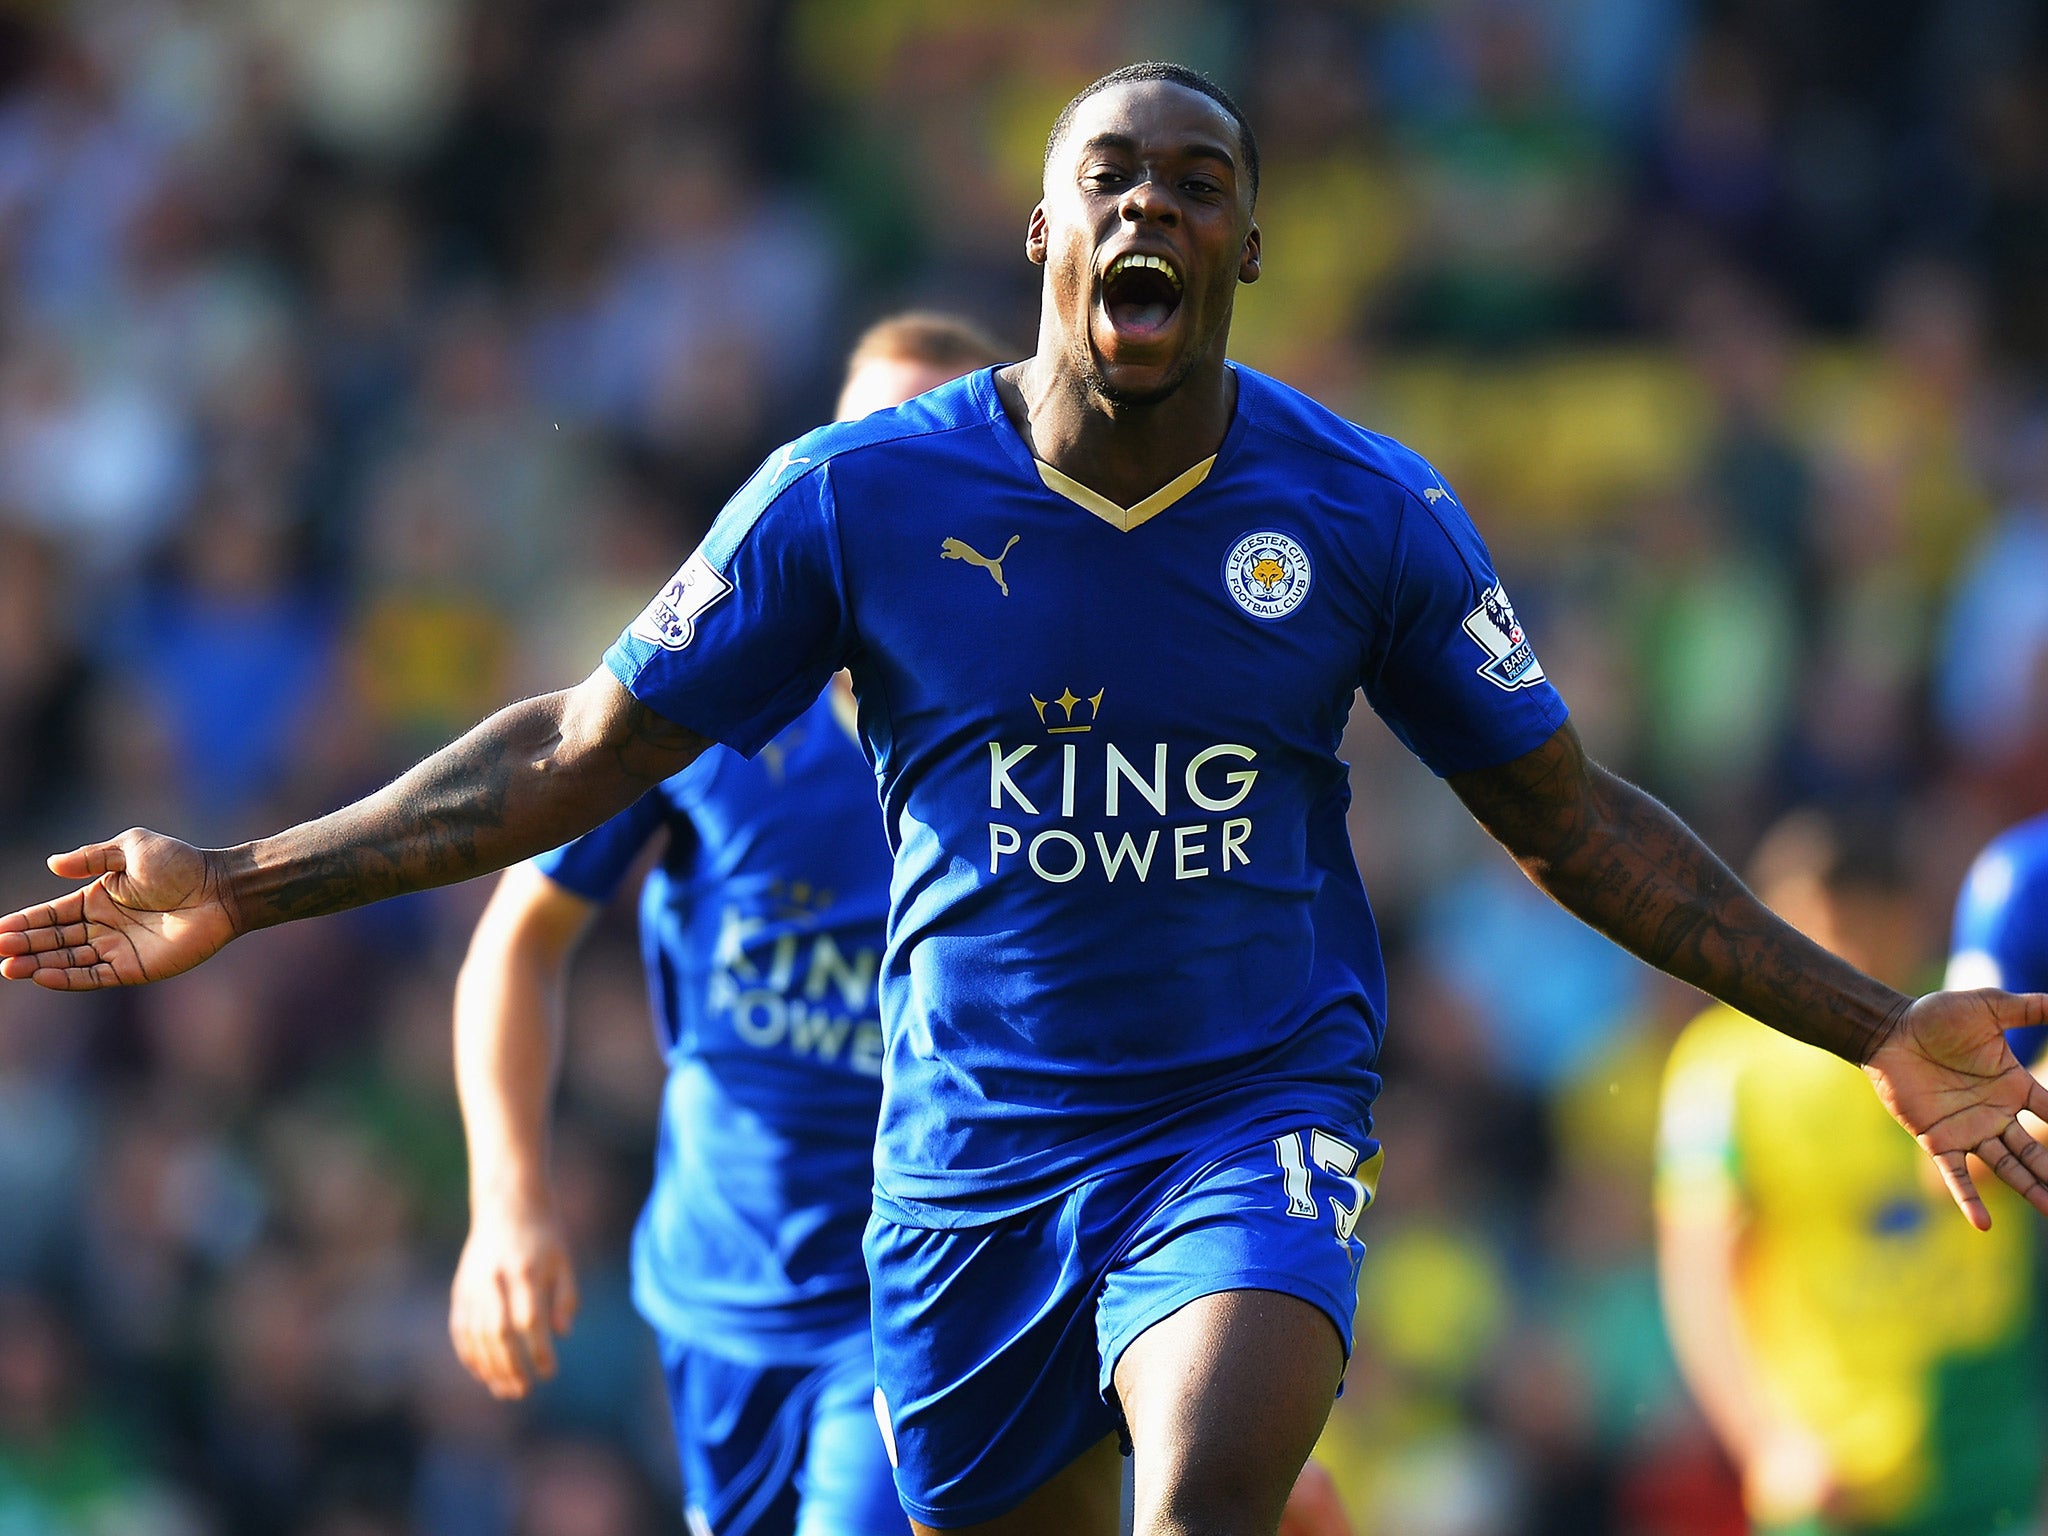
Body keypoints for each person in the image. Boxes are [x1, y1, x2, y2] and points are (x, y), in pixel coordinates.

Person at [5, 62, 2047, 1536]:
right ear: (1046, 233)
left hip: (1244, 1118)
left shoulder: (1361, 513)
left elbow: (1570, 816)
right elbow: (567, 756)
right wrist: (243, 881)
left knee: (1218, 1462)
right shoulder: (855, 501)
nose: (1151, 206)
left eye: (1194, 179)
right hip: (969, 1168)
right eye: (1110, 178)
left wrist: (1872, 1026)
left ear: (1249, 238)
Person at [449, 315, 1003, 1536]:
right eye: (870, 444)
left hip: (918, 1297)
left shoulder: (1039, 751)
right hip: (712, 1290)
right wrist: (508, 1199)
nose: (895, 481)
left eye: (937, 447)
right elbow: (517, 941)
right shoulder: (702, 704)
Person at [1657, 810, 2048, 1536]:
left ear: (1909, 918)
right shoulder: (1725, 1068)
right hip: (1834, 1472)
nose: (1849, 954)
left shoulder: (1967, 1024)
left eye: (1870, 925)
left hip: (1984, 1438)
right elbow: (1700, 1273)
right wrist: (1765, 1440)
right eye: (1823, 930)